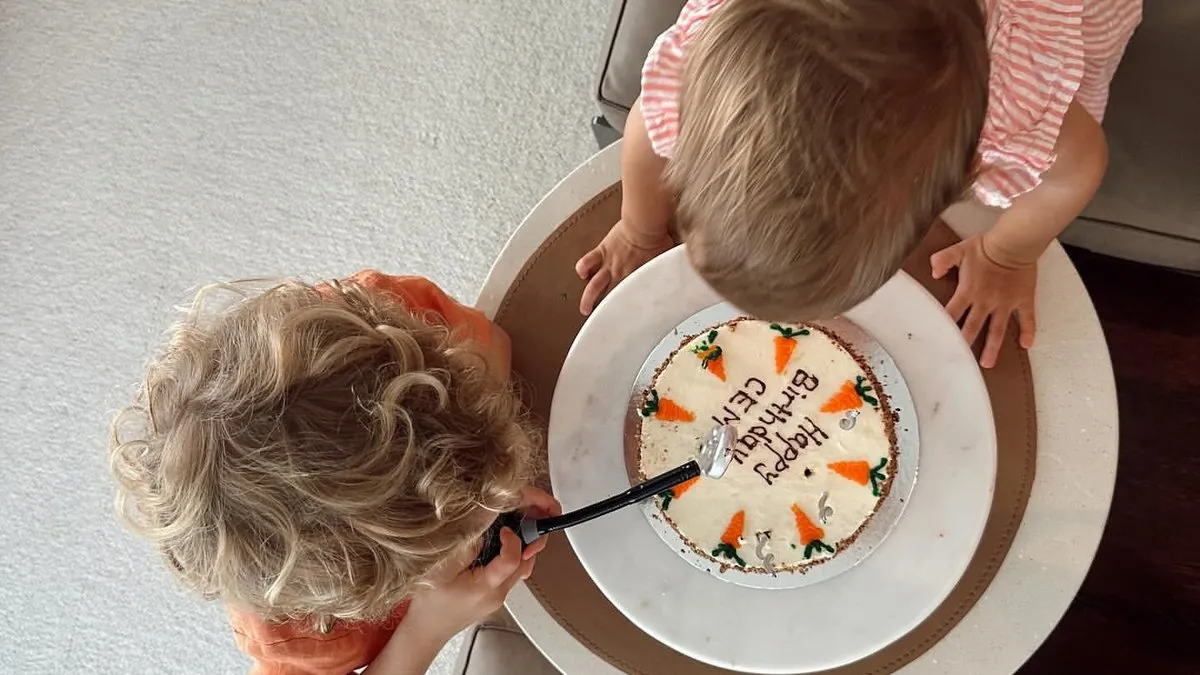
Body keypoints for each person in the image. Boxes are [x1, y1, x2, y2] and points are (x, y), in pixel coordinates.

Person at [576, 0, 1141, 367]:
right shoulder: (708, 59)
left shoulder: (1014, 106)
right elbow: (647, 123)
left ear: (963, 170)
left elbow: (1077, 165)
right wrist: (639, 228)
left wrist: (1007, 256)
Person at [109, 270, 559, 674]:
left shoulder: (384, 321)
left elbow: (495, 343)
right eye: (456, 522)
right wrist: (426, 629)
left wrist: (489, 476)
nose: (489, 505)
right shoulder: (296, 639)